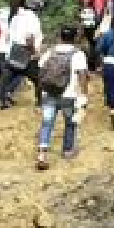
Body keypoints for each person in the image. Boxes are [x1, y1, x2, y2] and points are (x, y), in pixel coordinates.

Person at [35, 25, 92, 169]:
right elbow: (82, 76)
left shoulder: (50, 52)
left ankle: (42, 154)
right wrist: (84, 95)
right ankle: (67, 150)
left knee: (47, 123)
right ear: (75, 37)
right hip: (69, 95)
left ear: (60, 36)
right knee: (70, 123)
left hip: (49, 93)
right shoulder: (78, 54)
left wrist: (41, 91)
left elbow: (40, 71)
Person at [0, 0, 42, 119]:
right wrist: (34, 52)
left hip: (14, 52)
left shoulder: (14, 17)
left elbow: (9, 37)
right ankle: (40, 105)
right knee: (39, 80)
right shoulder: (32, 17)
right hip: (26, 52)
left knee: (2, 82)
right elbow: (29, 39)